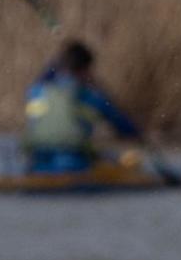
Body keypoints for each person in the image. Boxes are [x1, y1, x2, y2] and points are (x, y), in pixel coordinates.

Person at [23, 39, 141, 173]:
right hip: (75, 164)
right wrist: (137, 132)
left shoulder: (37, 91)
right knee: (114, 161)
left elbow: (44, 79)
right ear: (86, 70)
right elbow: (122, 126)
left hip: (38, 162)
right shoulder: (92, 97)